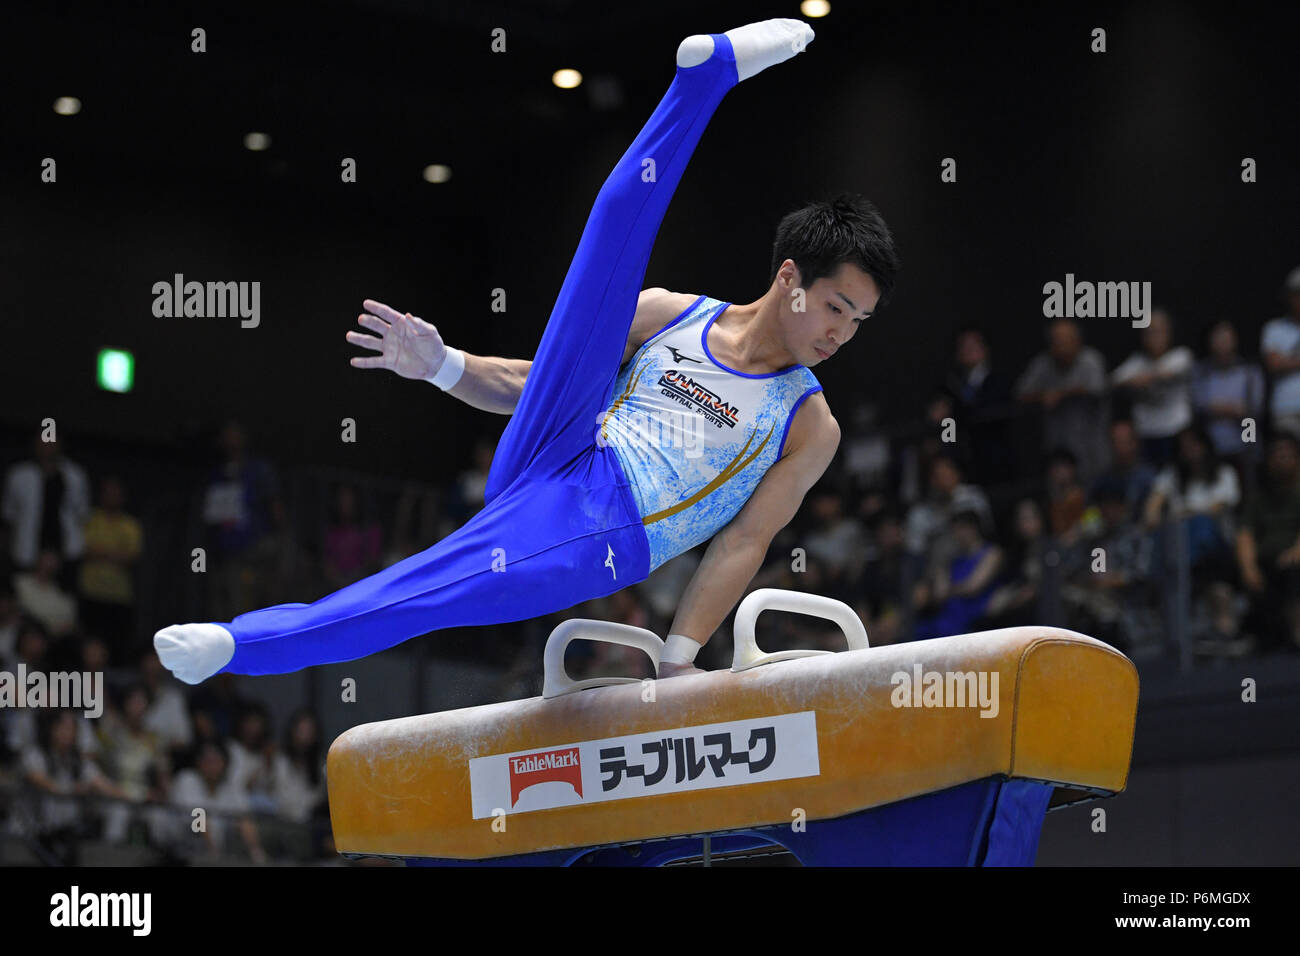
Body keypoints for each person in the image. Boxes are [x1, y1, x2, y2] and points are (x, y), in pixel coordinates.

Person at [154, 20, 900, 685]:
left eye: (860, 321)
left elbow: (746, 538)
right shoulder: (671, 317)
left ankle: (236, 643)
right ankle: (704, 81)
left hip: (606, 527)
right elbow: (533, 383)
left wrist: (678, 657)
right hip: (555, 451)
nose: (841, 333)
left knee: (417, 595)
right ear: (790, 278)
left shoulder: (807, 421)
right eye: (837, 307)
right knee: (610, 246)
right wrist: (440, 365)